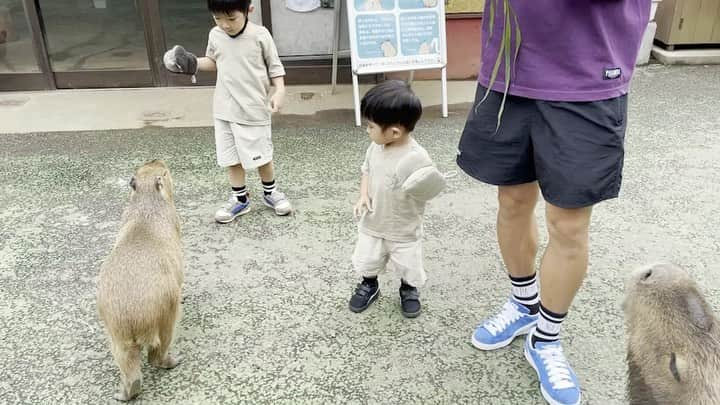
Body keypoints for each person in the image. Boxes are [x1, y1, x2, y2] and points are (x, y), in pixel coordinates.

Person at [456, 2, 651, 404]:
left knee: (569, 224)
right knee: (511, 199)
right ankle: (524, 302)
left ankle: (546, 336)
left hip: (588, 73)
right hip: (509, 68)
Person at [163, 0, 292, 223]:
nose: (225, 24)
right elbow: (214, 61)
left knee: (262, 155)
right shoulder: (215, 35)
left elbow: (275, 66)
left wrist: (279, 90)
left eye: (231, 18)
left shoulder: (260, 35)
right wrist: (190, 63)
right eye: (218, 18)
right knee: (231, 158)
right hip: (224, 108)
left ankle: (270, 192)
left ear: (248, 10)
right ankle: (240, 199)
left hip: (253, 108)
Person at [348, 80, 446, 318]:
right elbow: (366, 170)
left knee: (408, 263)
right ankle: (369, 284)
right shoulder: (375, 148)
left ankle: (408, 288)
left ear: (394, 132)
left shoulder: (417, 157)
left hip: (404, 226)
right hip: (373, 221)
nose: (367, 130)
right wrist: (363, 195)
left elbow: (429, 187)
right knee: (369, 257)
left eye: (371, 126)